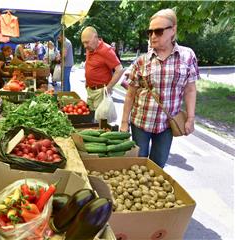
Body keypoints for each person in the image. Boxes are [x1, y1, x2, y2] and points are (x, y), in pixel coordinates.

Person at [120, 8, 199, 168]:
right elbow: (130, 94)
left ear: (173, 30)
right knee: (137, 165)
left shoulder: (187, 56)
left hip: (167, 124)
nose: (153, 36)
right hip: (141, 122)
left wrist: (190, 118)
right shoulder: (142, 61)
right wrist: (124, 122)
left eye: (158, 31)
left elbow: (190, 89)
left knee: (158, 166)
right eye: (150, 32)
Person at [81, 26, 123, 110]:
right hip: (90, 90)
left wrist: (109, 87)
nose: (85, 46)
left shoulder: (106, 50)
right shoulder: (89, 48)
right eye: (83, 43)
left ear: (96, 38)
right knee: (90, 117)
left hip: (101, 92)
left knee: (100, 120)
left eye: (87, 42)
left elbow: (119, 69)